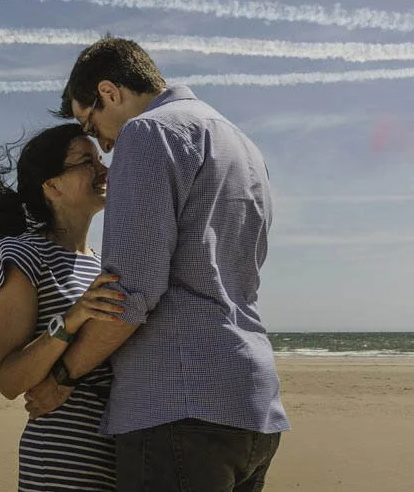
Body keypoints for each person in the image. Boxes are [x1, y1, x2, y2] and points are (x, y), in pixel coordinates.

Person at [29, 36, 290, 491]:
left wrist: (63, 377)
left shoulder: (148, 133)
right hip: (253, 404)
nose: (102, 144)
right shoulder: (243, 145)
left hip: (177, 403)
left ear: (109, 92)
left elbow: (128, 294)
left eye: (90, 124)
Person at [0, 123, 127, 492]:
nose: (104, 170)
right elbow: (8, 380)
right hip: (63, 456)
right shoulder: (22, 253)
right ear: (52, 185)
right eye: (86, 162)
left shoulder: (105, 263)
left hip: (118, 452)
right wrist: (72, 318)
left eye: (101, 159)